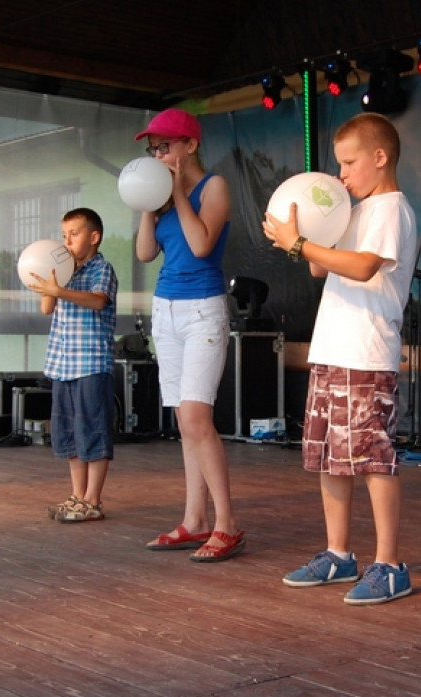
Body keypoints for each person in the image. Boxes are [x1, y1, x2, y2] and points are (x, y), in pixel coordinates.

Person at [262, 113, 418, 605]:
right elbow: (316, 266)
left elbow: (367, 267)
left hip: (367, 355)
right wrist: (304, 234)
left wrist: (302, 242)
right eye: (338, 165)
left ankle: (390, 565)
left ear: (380, 157)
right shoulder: (357, 211)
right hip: (333, 350)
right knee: (330, 458)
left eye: (349, 163)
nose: (343, 174)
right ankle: (338, 554)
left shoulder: (391, 208)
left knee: (373, 459)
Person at [134, 108, 245, 562]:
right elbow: (144, 253)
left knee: (198, 417)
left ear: (190, 146)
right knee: (184, 422)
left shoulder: (212, 187)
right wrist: (149, 202)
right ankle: (194, 519)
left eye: (165, 146)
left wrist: (179, 193)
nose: (158, 155)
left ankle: (227, 524)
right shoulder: (161, 198)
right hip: (166, 309)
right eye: (153, 149)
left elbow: (201, 245)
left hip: (203, 308)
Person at [30, 208, 118, 523]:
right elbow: (46, 307)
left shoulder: (101, 268)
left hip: (91, 363)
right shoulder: (64, 271)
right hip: (63, 364)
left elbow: (97, 300)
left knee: (92, 429)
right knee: (68, 432)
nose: (67, 241)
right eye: (64, 235)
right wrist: (49, 284)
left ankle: (93, 499)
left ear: (93, 237)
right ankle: (77, 495)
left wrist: (59, 290)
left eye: (75, 234)